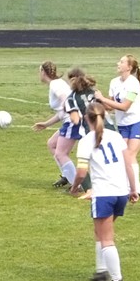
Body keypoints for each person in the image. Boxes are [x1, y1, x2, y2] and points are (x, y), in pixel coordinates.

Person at [69, 101, 138, 281]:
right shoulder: (116, 136)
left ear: (86, 118)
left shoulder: (86, 141)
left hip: (104, 194)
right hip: (121, 192)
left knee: (106, 238)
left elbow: (81, 172)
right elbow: (128, 164)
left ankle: (116, 279)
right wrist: (133, 189)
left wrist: (74, 187)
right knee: (100, 231)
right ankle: (101, 271)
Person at [95, 54, 140, 196]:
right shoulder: (114, 82)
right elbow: (111, 106)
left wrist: (102, 99)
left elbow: (125, 106)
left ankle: (136, 189)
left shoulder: (133, 83)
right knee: (123, 155)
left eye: (121, 62)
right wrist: (97, 102)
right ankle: (126, 186)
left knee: (130, 154)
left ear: (129, 67)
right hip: (123, 125)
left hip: (137, 122)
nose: (118, 63)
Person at [31, 61, 75, 188]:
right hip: (69, 120)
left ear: (43, 72)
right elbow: (62, 111)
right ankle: (67, 176)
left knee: (61, 154)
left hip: (72, 121)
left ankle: (77, 184)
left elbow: (65, 100)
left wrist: (72, 115)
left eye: (39, 71)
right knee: (52, 144)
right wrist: (46, 124)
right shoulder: (57, 83)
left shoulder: (55, 84)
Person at [63, 66, 99, 198]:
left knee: (84, 160)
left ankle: (89, 189)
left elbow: (76, 120)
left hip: (90, 131)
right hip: (108, 128)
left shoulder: (71, 98)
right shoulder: (94, 91)